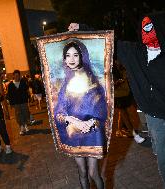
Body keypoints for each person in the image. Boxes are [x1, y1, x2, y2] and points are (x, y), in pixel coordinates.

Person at [70, 13, 165, 189]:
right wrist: (82, 28)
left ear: (160, 29)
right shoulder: (134, 53)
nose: (146, 32)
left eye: (150, 28)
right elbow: (107, 39)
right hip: (154, 119)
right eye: (143, 28)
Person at [54, 40, 107, 189]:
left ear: (82, 56)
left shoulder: (93, 81)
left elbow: (102, 108)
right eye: (68, 55)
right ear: (64, 59)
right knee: (82, 172)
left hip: (92, 131)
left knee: (93, 173)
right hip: (74, 132)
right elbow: (59, 112)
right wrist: (72, 120)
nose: (71, 59)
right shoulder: (64, 84)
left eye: (75, 55)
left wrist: (91, 122)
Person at [113, 61, 145, 143]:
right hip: (118, 93)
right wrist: (119, 82)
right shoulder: (111, 66)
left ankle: (119, 130)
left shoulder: (121, 65)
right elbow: (110, 82)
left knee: (123, 111)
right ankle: (132, 133)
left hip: (125, 91)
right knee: (124, 112)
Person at [7, 70, 30, 135]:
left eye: (18, 75)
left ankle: (25, 124)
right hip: (16, 103)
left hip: (23, 101)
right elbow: (10, 95)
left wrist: (27, 99)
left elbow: (26, 91)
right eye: (15, 75)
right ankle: (22, 127)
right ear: (13, 76)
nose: (17, 77)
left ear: (19, 76)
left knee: (25, 113)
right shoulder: (10, 85)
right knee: (18, 114)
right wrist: (11, 104)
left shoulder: (23, 82)